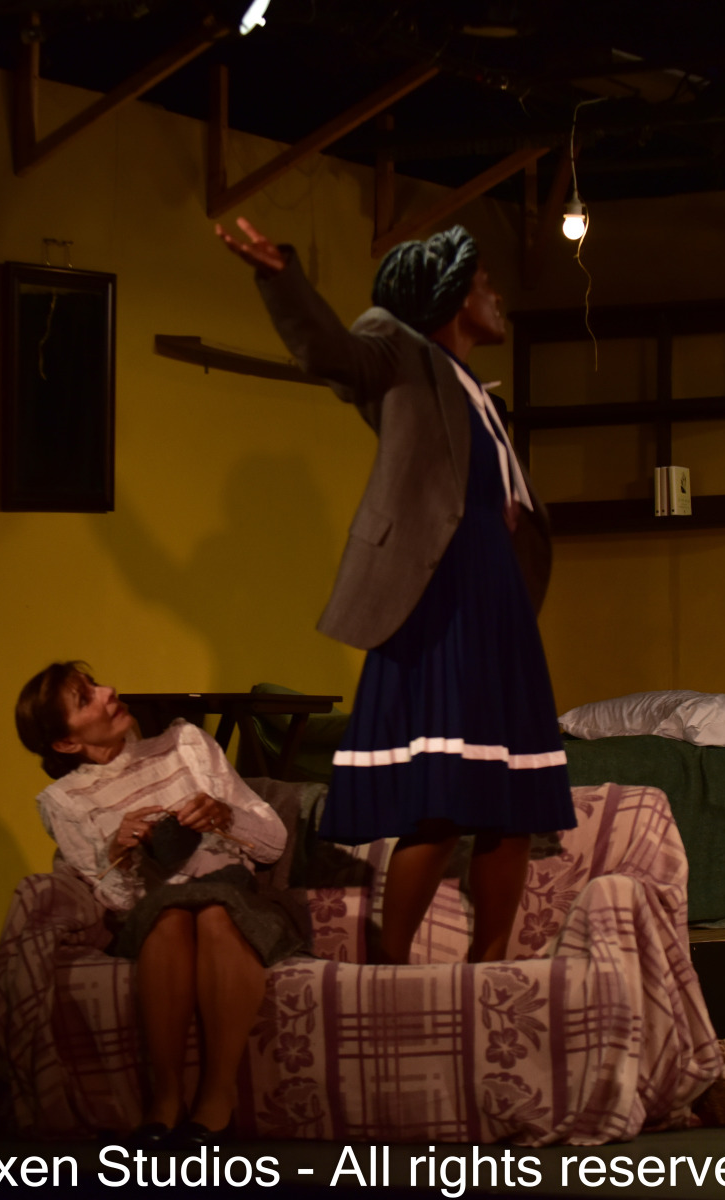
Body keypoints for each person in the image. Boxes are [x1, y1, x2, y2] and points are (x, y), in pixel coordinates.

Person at [216, 217, 575, 965]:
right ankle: (391, 963)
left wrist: (503, 513)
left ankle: (488, 969)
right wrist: (280, 276)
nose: (497, 297)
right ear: (452, 295)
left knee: (511, 804)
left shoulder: (478, 391)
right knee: (442, 801)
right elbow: (331, 351)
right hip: (441, 598)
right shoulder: (400, 352)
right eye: (484, 284)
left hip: (497, 602)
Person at [14, 661, 300, 1145]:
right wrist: (120, 852)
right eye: (85, 698)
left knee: (215, 911)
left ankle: (217, 1094)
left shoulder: (185, 744)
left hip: (235, 895)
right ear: (65, 743)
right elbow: (115, 902)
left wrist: (224, 815)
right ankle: (166, 1097)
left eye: (95, 684)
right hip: (155, 913)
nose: (108, 691)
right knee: (168, 915)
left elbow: (273, 844)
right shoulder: (66, 802)